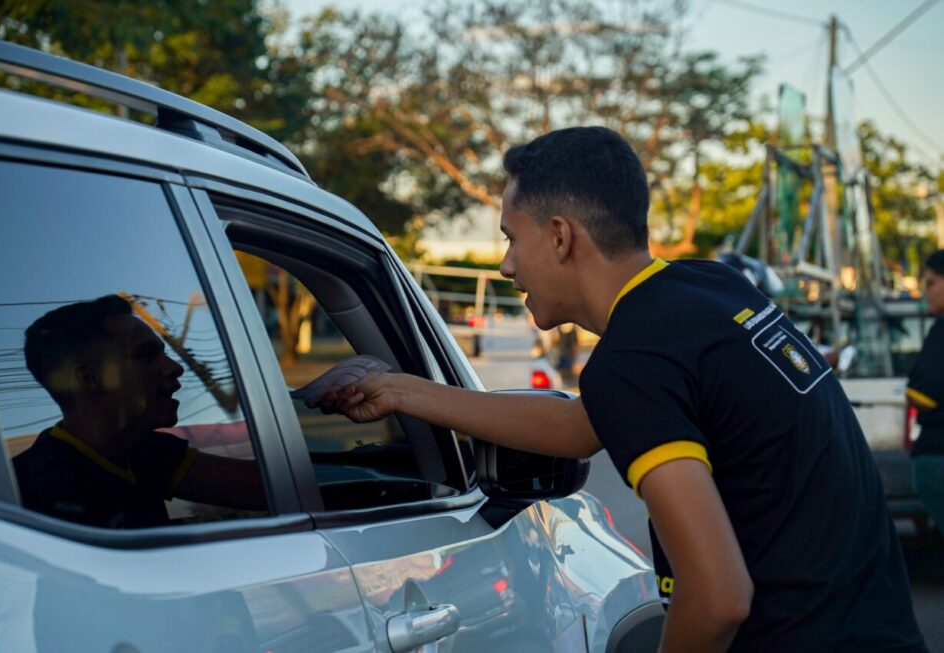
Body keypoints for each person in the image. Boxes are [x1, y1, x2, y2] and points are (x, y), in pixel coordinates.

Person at [316, 127, 926, 652]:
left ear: (560, 236)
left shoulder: (634, 358)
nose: (505, 265)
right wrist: (400, 392)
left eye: (509, 236)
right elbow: (578, 427)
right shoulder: (712, 290)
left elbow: (717, 598)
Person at [14, 294, 266, 529]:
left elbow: (265, 486)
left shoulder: (146, 452)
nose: (174, 368)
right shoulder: (34, 490)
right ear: (91, 379)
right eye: (146, 356)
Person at [907, 249, 944, 537]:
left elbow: (921, 394)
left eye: (931, 283)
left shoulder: (941, 330)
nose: (924, 292)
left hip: (936, 453)